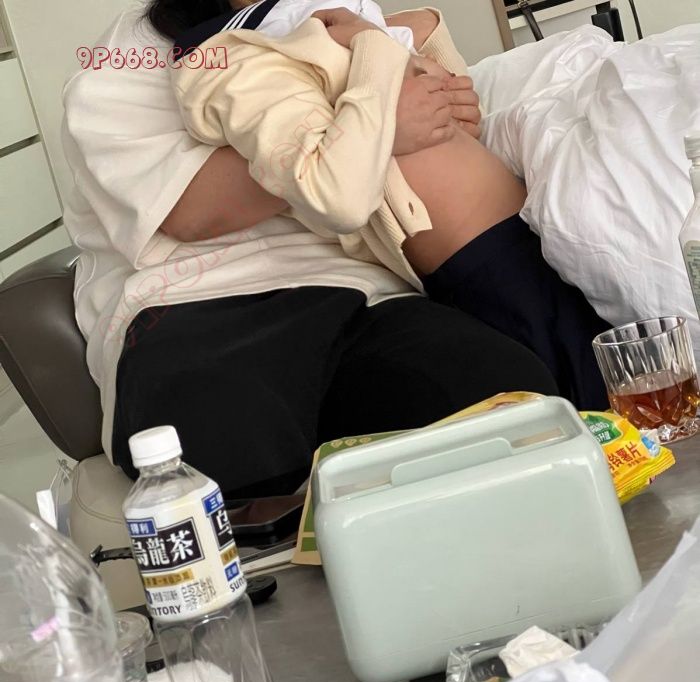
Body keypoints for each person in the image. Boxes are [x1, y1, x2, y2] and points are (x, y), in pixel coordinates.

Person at [62, 0, 557, 499]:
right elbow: (191, 210)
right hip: (190, 299)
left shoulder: (326, 14)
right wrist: (375, 130)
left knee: (502, 395)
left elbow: (421, 105)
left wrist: (444, 107)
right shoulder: (126, 57)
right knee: (225, 441)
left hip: (357, 288)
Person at [172, 3, 611, 407]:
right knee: (602, 415)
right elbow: (335, 193)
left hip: (535, 226)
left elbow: (449, 115)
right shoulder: (240, 59)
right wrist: (371, 42)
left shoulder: (324, 17)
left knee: (626, 398)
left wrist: (424, 47)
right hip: (486, 262)